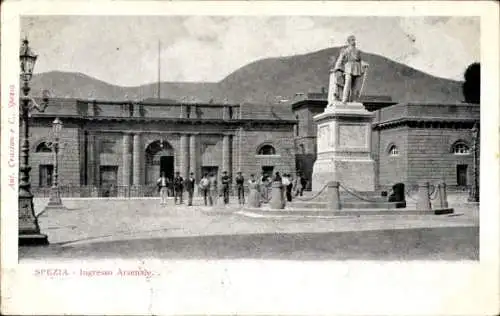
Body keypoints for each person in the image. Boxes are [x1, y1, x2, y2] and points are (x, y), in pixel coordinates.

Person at [333, 35, 369, 103]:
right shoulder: (345, 50)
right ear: (349, 41)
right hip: (348, 67)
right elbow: (340, 59)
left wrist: (364, 63)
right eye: (352, 40)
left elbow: (359, 60)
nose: (354, 41)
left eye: (354, 40)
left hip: (356, 67)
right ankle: (344, 99)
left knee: (354, 85)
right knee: (348, 83)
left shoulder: (357, 51)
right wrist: (336, 68)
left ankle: (352, 100)